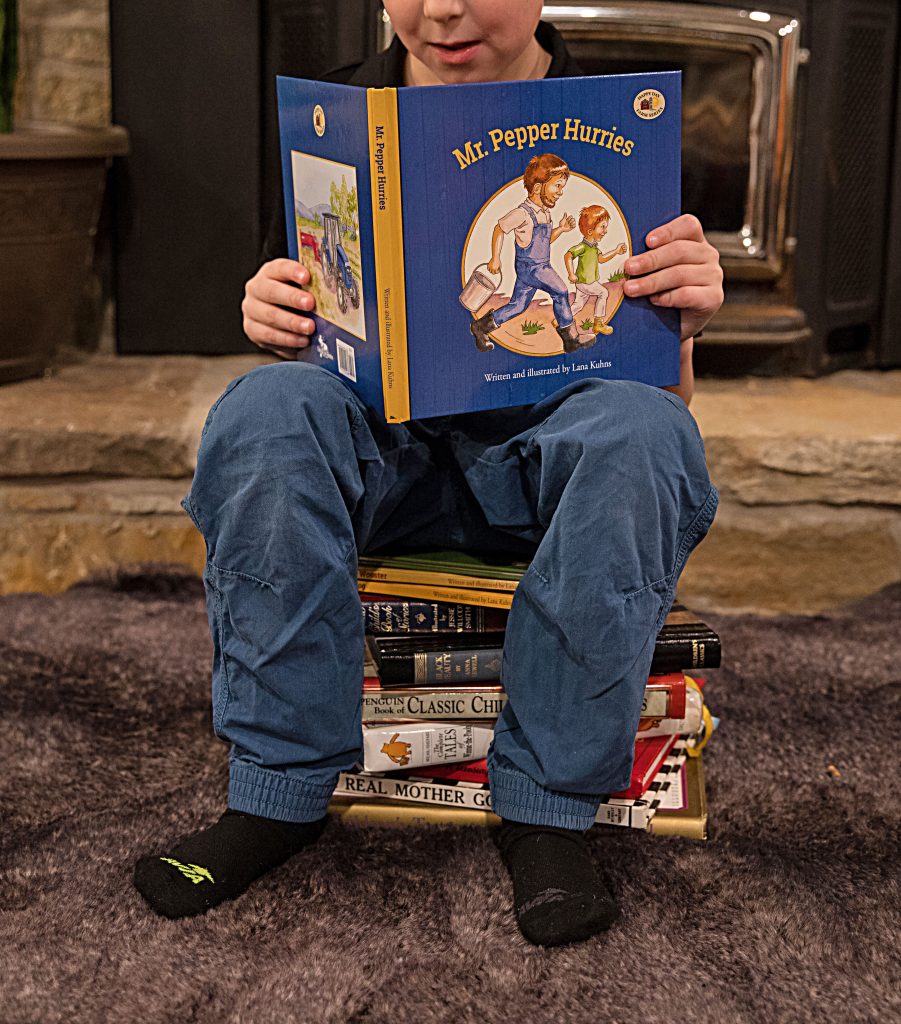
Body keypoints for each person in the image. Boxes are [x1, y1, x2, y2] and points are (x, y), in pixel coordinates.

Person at [133, 0, 723, 949]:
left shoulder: (620, 122)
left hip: (544, 467)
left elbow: (665, 409)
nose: (439, 9)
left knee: (643, 433)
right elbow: (319, 346)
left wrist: (681, 328)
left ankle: (548, 811)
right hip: (387, 464)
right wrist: (275, 311)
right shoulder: (333, 120)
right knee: (263, 408)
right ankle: (277, 794)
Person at [469, 153, 592, 353]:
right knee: (560, 291)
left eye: (563, 187)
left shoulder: (544, 212)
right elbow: (499, 228)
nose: (561, 192)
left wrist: (560, 230)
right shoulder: (523, 213)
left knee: (518, 305)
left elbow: (544, 241)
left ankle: (481, 327)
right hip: (532, 268)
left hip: (539, 266)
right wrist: (495, 257)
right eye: (557, 186)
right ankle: (571, 339)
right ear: (537, 188)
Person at [565, 205, 629, 335]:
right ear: (590, 231)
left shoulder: (594, 248)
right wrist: (571, 274)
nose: (605, 230)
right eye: (602, 227)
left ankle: (562, 319)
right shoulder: (583, 247)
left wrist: (616, 251)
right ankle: (598, 324)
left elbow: (602, 259)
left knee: (579, 304)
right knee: (603, 293)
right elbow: (568, 256)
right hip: (586, 282)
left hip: (584, 282)